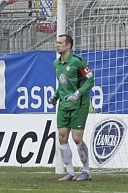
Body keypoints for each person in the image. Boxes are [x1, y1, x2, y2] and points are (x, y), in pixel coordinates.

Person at [51, 34, 94, 181]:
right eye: (57, 43)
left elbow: (90, 80)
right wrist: (56, 95)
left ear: (68, 46)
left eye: (60, 43)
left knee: (77, 138)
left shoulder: (78, 62)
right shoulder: (56, 63)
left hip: (79, 105)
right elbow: (62, 84)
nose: (57, 45)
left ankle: (86, 171)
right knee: (62, 137)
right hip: (64, 105)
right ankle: (70, 172)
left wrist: (78, 93)